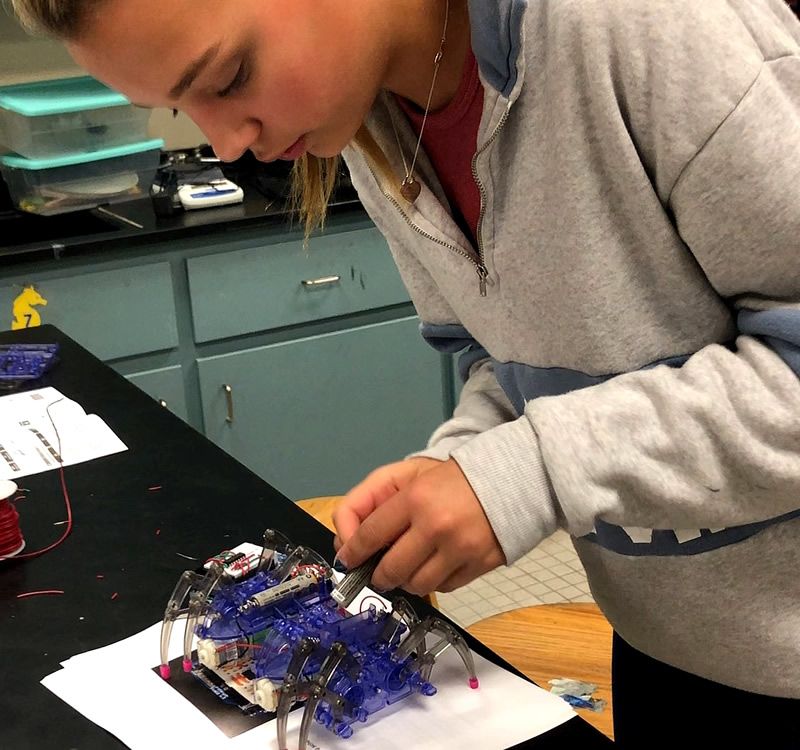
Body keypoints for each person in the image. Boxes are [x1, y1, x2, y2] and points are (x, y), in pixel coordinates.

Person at [12, 0, 800, 745]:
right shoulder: (379, 135)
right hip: (672, 645)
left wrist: (529, 471)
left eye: (228, 76)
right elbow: (519, 359)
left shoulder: (643, 29)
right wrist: (460, 462)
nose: (227, 144)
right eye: (185, 110)